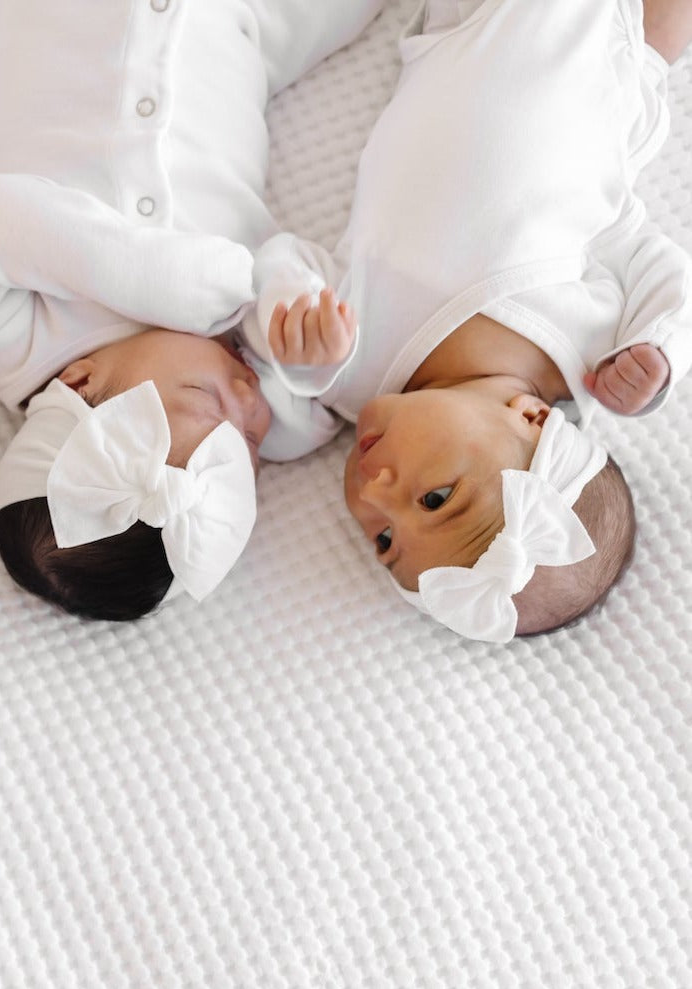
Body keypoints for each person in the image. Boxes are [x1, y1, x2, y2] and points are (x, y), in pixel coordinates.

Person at [267, 0, 692, 642]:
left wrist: (301, 340)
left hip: (472, 28)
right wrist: (658, 353)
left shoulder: (351, 370)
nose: (374, 495)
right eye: (435, 500)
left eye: (385, 540)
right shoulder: (587, 356)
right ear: (532, 419)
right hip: (620, 58)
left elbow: (283, 261)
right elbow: (653, 260)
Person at [0, 0, 383, 619]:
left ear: (81, 383)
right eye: (250, 447)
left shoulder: (18, 345)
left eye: (205, 398)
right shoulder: (274, 405)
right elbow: (289, 273)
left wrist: (162, 285)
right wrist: (306, 348)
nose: (249, 400)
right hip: (235, 26)